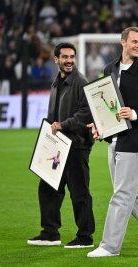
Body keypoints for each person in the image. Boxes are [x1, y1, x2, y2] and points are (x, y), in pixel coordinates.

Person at [86, 27, 138, 258]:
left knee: (122, 194)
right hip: (113, 139)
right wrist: (99, 126)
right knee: (129, 192)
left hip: (134, 140)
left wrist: (134, 114)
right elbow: (105, 104)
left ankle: (109, 247)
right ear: (123, 42)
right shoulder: (109, 68)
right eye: (134, 41)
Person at [27, 42, 95, 249]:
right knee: (48, 187)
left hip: (76, 145)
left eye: (72, 57)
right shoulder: (56, 82)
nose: (69, 61)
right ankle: (50, 233)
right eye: (65, 57)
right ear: (56, 59)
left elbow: (87, 113)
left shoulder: (81, 82)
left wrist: (63, 124)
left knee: (79, 191)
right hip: (58, 145)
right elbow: (53, 114)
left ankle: (85, 237)